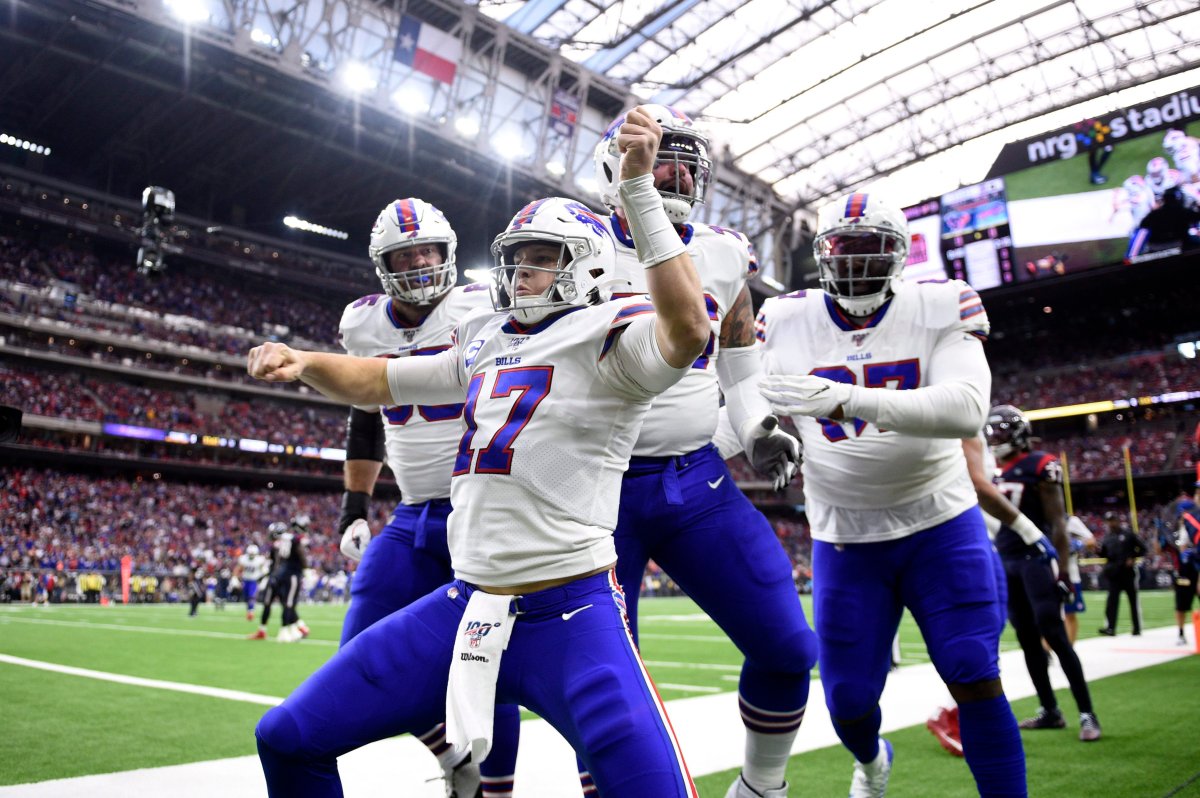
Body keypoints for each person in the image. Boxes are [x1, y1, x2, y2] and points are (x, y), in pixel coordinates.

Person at [247, 106, 712, 797]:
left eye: (540, 258)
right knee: (285, 737)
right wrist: (305, 362)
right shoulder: (485, 338)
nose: (520, 271)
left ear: (582, 268)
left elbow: (688, 326)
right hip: (465, 603)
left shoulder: (614, 335)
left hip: (571, 611)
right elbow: (383, 379)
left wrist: (640, 190)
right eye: (516, 257)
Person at [757, 192, 1027, 797]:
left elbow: (966, 408)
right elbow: (749, 404)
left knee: (973, 671)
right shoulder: (785, 317)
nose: (855, 265)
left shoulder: (940, 303)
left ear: (900, 256)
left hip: (940, 521)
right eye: (842, 250)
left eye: (870, 250)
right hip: (846, 535)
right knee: (849, 701)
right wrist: (757, 435)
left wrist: (846, 399)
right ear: (822, 256)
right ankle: (873, 759)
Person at [592, 103, 816, 798]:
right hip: (595, 490)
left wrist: (755, 429)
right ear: (616, 164)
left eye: (688, 165)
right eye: (665, 162)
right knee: (607, 686)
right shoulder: (572, 242)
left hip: (695, 479)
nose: (678, 177)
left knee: (786, 647)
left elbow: (739, 362)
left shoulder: (720, 252)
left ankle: (760, 788)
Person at [333, 196, 510, 797]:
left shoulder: (486, 304)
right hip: (412, 514)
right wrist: (355, 507)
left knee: (491, 669)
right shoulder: (362, 323)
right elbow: (365, 416)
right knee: (358, 660)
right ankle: (451, 752)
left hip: (483, 509)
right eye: (405, 255)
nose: (419, 263)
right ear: (382, 264)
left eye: (429, 251)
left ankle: (495, 790)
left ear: (450, 252)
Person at [986, 405, 1100, 742]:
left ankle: (1087, 713)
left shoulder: (1040, 464)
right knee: (1026, 639)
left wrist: (1063, 570)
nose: (997, 439)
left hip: (1035, 559)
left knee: (1055, 635)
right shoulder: (993, 470)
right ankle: (1049, 709)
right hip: (1007, 561)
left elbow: (1057, 522)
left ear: (1019, 434)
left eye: (1003, 433)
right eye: (994, 432)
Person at [249, 519, 311, 642]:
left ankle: (295, 628)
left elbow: (279, 561)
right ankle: (295, 628)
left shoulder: (283, 542)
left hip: (279, 576)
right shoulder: (289, 541)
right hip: (285, 576)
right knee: (287, 604)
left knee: (284, 603)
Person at [1097, 510, 1146, 636]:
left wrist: (1133, 557)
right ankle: (1111, 628)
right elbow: (1104, 554)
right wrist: (1095, 550)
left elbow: (1143, 548)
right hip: (1114, 574)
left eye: (1113, 520)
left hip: (1128, 572)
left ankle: (1137, 628)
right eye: (1109, 521)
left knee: (1133, 601)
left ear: (1117, 520)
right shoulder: (1107, 537)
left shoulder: (1128, 534)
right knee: (1112, 602)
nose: (1111, 523)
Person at [1063, 515, 1095, 644]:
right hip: (1046, 574)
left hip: (1069, 575)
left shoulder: (1071, 521)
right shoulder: (1039, 519)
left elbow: (1091, 540)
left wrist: (1076, 544)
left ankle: (1069, 649)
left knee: (1069, 614)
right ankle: (1046, 650)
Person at [237, 543, 269, 622]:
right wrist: (236, 578)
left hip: (254, 580)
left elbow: (264, 571)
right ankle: (249, 610)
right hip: (245, 580)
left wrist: (264, 579)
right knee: (246, 597)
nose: (251, 555)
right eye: (250, 554)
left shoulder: (259, 560)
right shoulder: (243, 559)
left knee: (252, 596)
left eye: (253, 554)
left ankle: (251, 612)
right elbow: (239, 569)